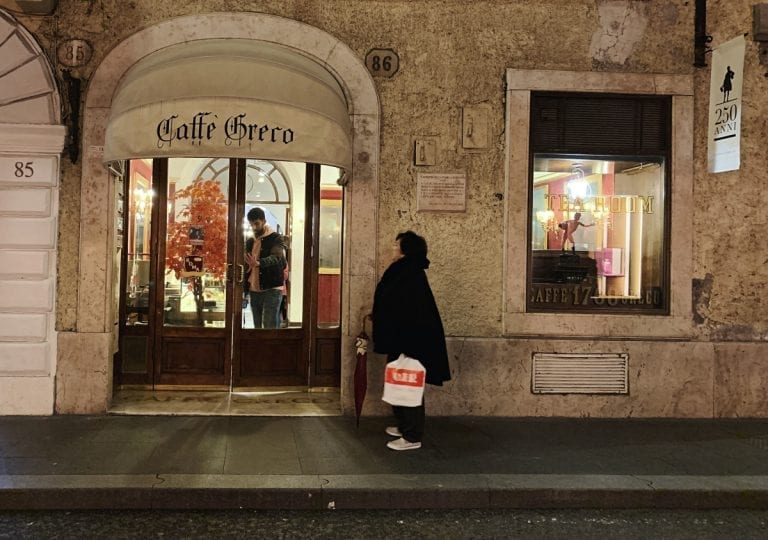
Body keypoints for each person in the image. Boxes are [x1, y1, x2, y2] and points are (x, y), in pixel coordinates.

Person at [372, 230, 451, 451]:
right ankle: (404, 425)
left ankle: (412, 435)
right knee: (399, 381)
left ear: (406, 250)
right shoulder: (408, 270)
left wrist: (405, 344)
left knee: (409, 385)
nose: (393, 249)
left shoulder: (407, 272)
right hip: (404, 339)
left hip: (409, 341)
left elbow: (406, 309)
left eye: (397, 246)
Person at [244, 207, 287, 329]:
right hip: (254, 287)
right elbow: (247, 262)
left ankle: (272, 348)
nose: (254, 227)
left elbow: (276, 257)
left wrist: (258, 263)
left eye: (256, 223)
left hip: (272, 287)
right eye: (251, 224)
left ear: (264, 221)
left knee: (269, 325)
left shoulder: (276, 238)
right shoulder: (250, 241)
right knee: (257, 325)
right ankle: (258, 348)